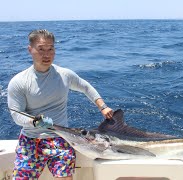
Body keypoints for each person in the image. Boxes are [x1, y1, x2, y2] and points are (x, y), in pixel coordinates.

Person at [7, 29, 113, 180]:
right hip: (30, 141)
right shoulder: (18, 82)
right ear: (30, 50)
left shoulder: (64, 75)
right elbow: (16, 115)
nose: (47, 54)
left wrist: (102, 106)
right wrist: (35, 121)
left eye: (50, 49)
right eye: (41, 49)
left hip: (60, 139)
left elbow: (85, 87)